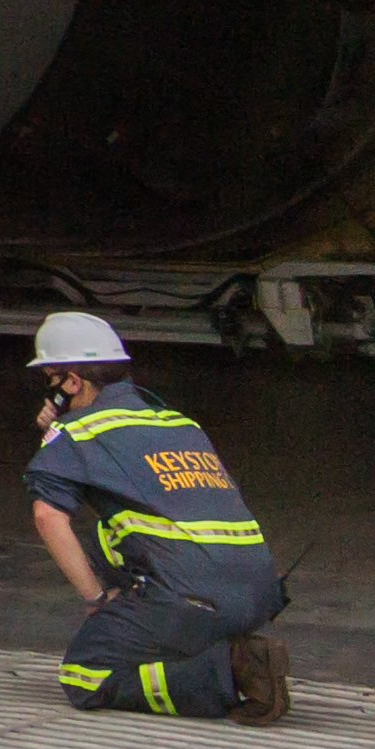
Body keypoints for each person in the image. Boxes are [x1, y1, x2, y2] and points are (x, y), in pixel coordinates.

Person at [23, 310, 294, 725]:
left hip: (192, 597)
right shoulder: (178, 422)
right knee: (106, 533)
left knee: (86, 676)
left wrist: (96, 599)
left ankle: (230, 669)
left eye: (51, 380)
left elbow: (48, 516)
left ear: (72, 382)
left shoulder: (76, 434)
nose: (50, 391)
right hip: (257, 592)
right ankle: (204, 636)